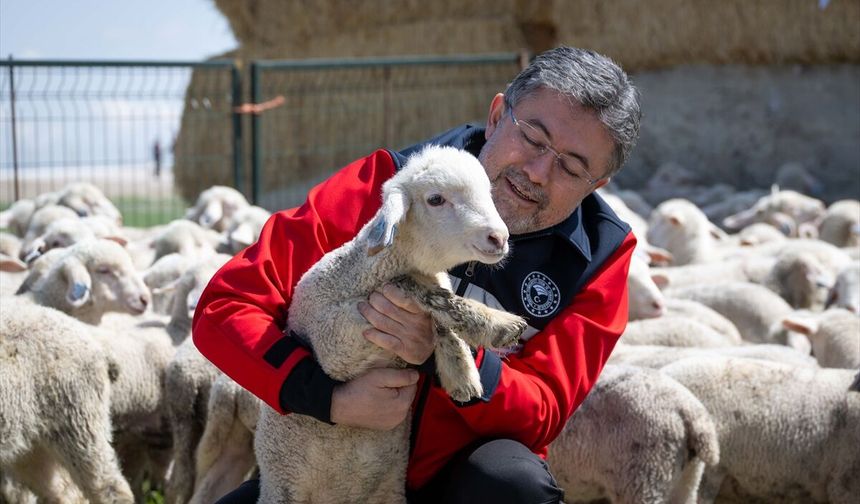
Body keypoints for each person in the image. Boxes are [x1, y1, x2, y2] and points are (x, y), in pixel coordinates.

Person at [193, 46, 641, 503]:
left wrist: (442, 351)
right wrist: (326, 397)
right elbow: (225, 307)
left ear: (597, 184)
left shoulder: (599, 257)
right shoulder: (392, 184)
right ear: (496, 116)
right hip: (331, 464)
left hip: (459, 480)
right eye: (533, 138)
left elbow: (544, 410)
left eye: (571, 167)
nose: (539, 172)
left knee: (515, 487)